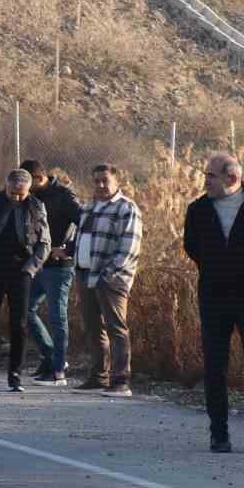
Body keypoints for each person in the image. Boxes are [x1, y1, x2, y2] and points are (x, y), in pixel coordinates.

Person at [0, 169, 51, 392]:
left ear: (29, 190)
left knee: (20, 324)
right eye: (12, 192)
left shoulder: (36, 206)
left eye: (21, 194)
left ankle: (15, 374)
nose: (16, 197)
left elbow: (45, 242)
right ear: (6, 186)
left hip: (21, 271)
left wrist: (31, 268)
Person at [184, 152, 244, 452]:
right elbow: (192, 247)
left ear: (231, 178)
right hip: (214, 296)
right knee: (215, 366)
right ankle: (219, 434)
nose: (205, 181)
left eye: (211, 176)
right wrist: (218, 268)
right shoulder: (198, 210)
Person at [74, 164, 142, 398]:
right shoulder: (89, 207)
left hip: (111, 279)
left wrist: (109, 274)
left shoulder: (126, 208)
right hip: (86, 275)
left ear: (116, 182)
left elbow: (129, 248)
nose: (101, 185)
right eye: (97, 181)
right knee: (94, 328)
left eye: (105, 180)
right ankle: (98, 376)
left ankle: (121, 380)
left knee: (116, 328)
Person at [20, 160, 83, 386]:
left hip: (59, 266)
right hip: (36, 263)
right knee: (25, 310)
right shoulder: (30, 197)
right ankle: (51, 356)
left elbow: (85, 223)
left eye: (28, 183)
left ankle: (57, 371)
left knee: (57, 317)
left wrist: (68, 249)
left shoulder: (64, 196)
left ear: (38, 178)